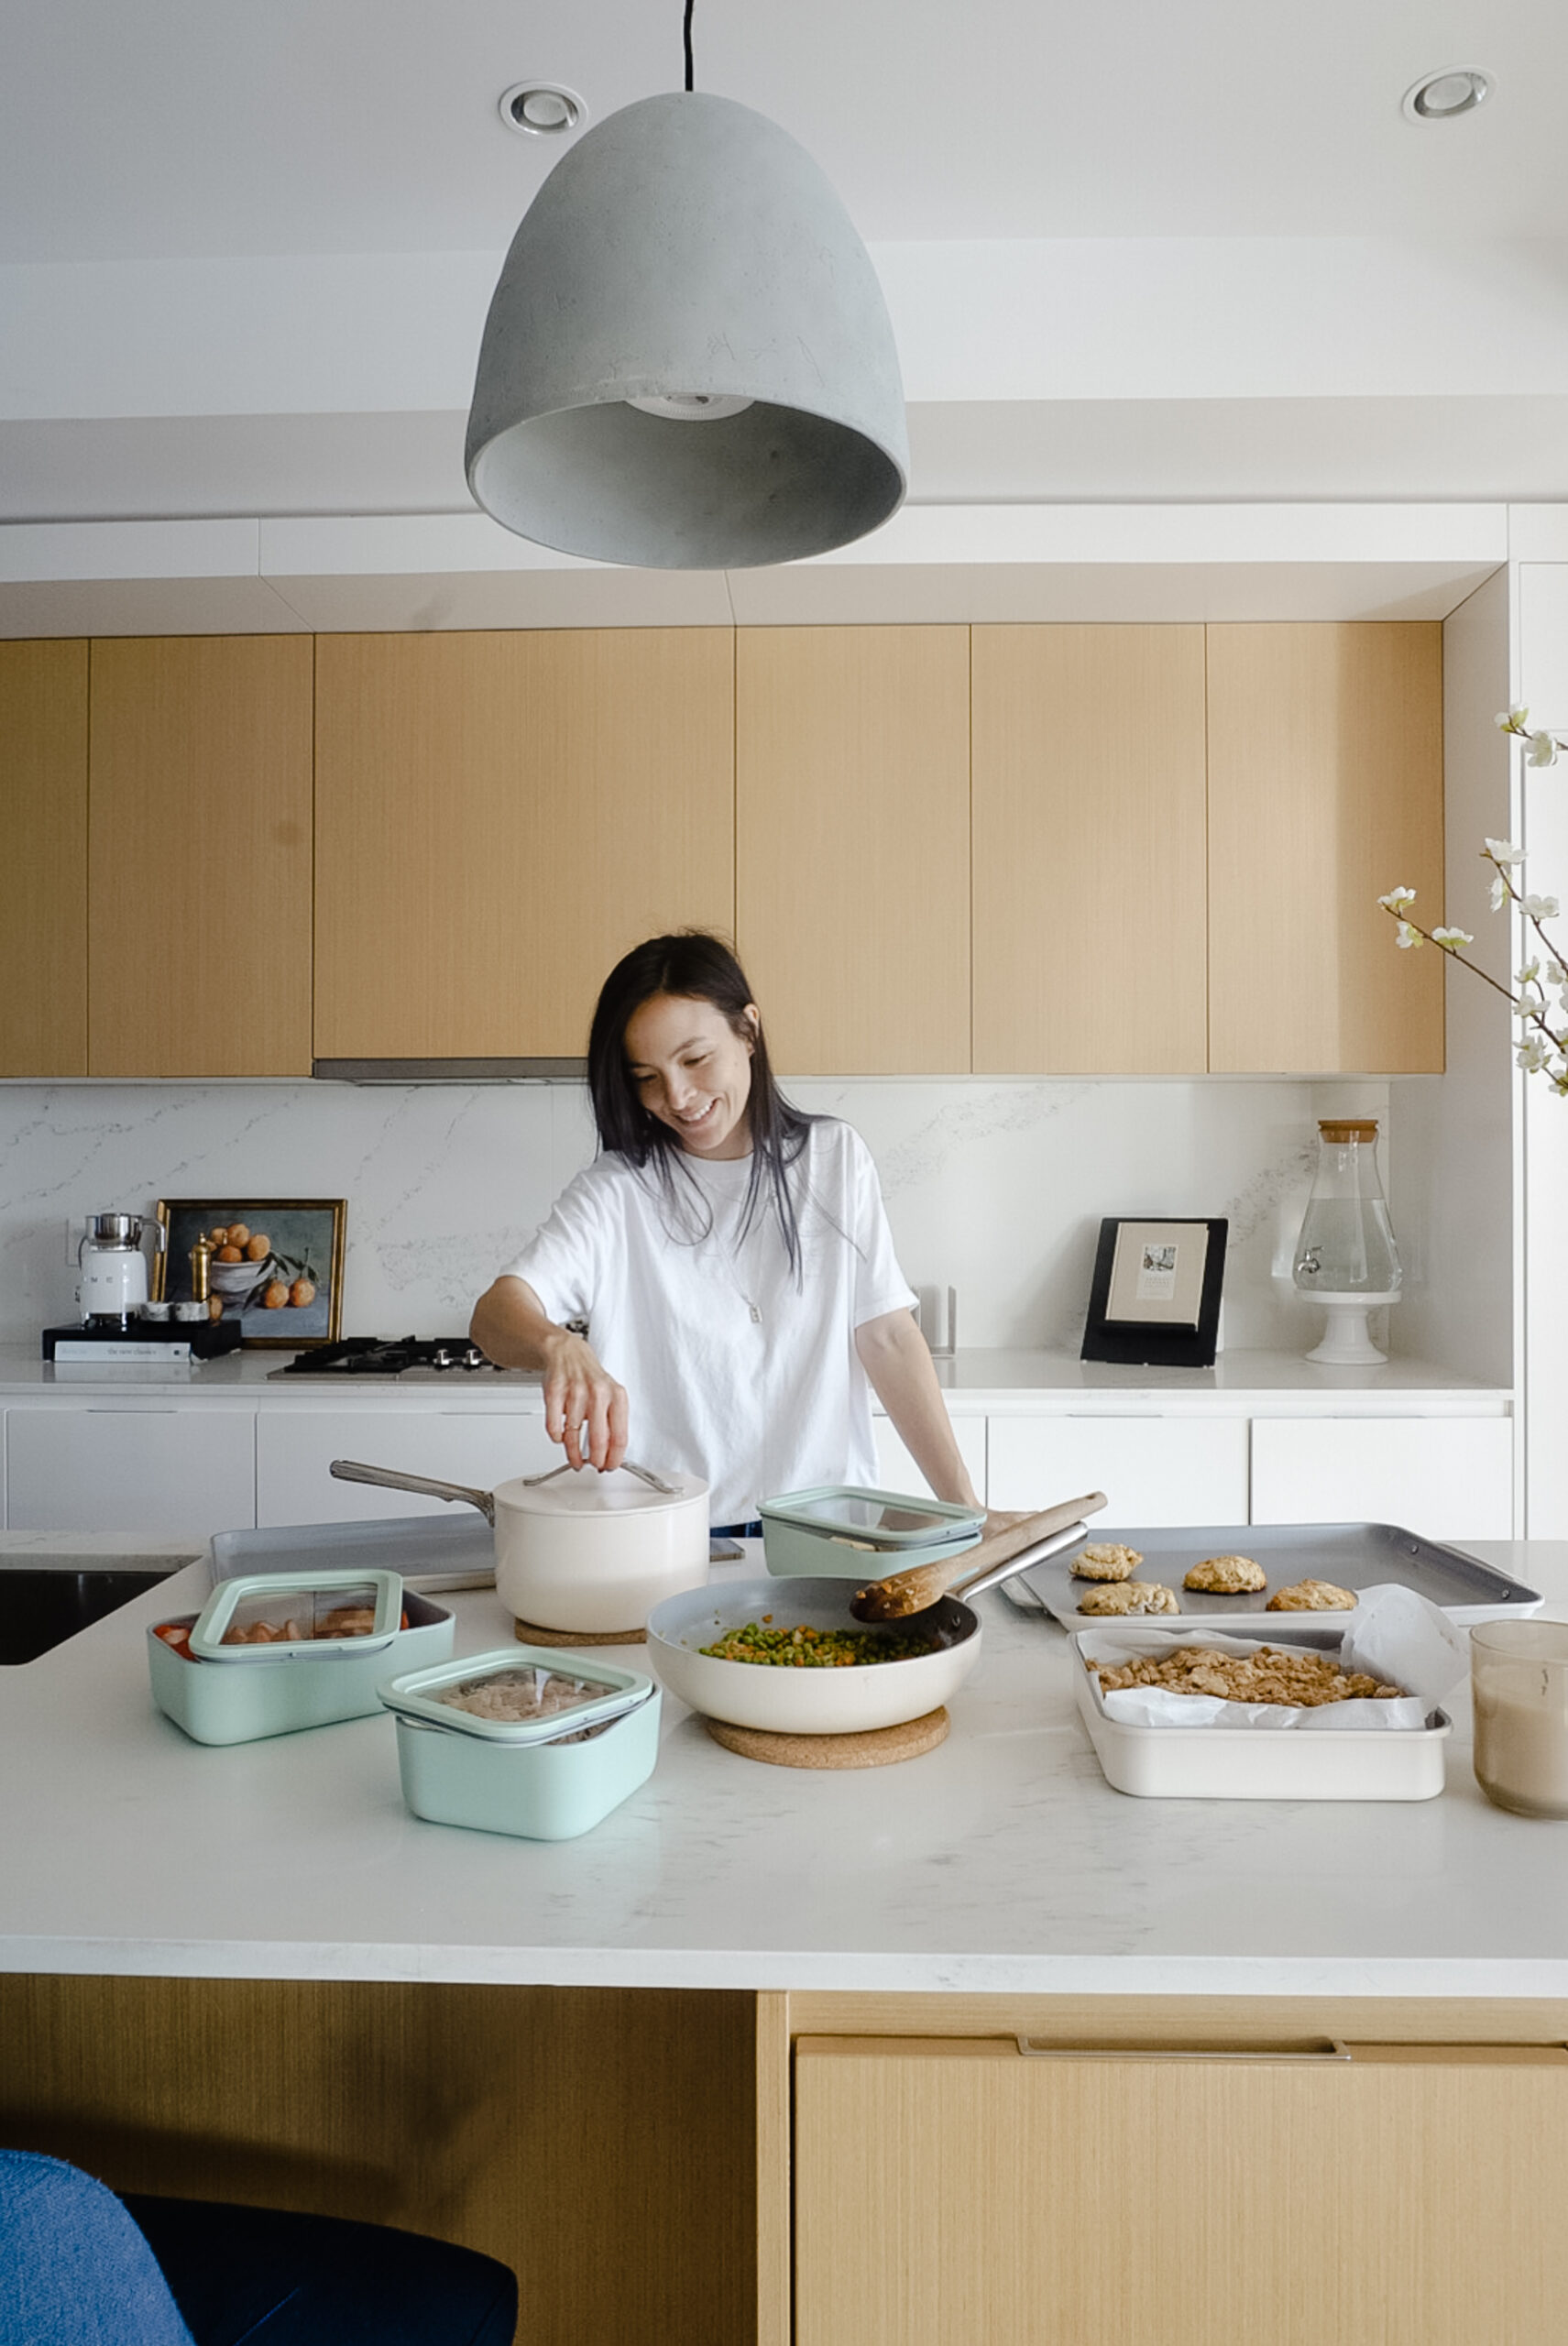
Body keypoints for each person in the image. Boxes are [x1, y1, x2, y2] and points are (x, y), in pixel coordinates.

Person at [470, 931, 981, 1535]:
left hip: (824, 1532)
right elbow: (494, 1317)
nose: (677, 1098)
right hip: (665, 1534)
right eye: (647, 1076)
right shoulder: (617, 1191)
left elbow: (888, 1338)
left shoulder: (831, 1159)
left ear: (748, 1030)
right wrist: (557, 1344)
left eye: (694, 1060)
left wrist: (967, 1513)